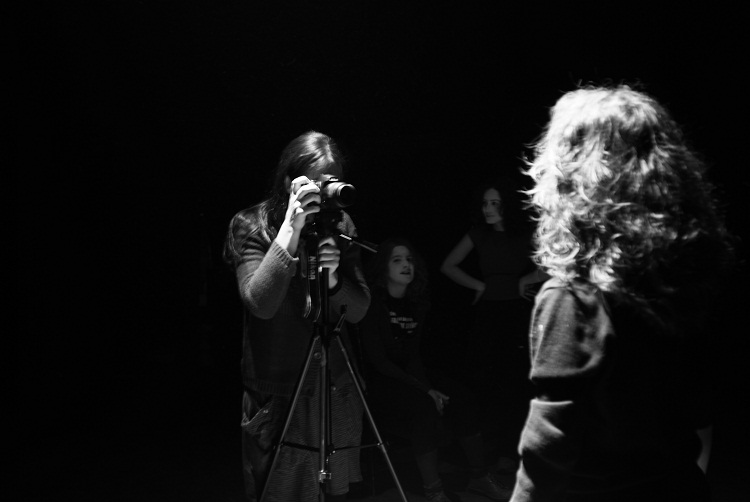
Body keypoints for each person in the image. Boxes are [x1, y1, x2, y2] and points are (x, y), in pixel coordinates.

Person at [511, 85, 733, 501]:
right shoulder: (691, 282)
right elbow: (702, 410)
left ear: (570, 172)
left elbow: (550, 442)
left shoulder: (574, 297)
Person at [223, 131, 371, 502]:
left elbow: (359, 311)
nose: (324, 192)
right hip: (280, 392)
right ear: (289, 180)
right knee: (278, 493)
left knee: (334, 493)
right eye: (315, 182)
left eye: (332, 181)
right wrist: (291, 229)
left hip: (334, 387)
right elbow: (260, 304)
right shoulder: (251, 224)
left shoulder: (341, 225)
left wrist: (334, 280)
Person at [361, 237, 512, 502]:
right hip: (381, 379)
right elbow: (379, 361)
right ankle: (435, 492)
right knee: (423, 407)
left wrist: (429, 387)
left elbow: (413, 356)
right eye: (397, 260)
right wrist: (425, 391)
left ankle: (480, 477)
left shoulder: (416, 302)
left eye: (409, 259)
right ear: (383, 267)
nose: (406, 265)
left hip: (410, 374)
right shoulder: (373, 304)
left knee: (461, 397)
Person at [440, 177, 548, 464]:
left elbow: (555, 263)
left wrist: (528, 277)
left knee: (517, 381)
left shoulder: (524, 234)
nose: (487, 208)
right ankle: (485, 449)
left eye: (494, 203)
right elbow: (448, 265)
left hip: (518, 313)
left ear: (507, 205)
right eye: (485, 203)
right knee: (484, 380)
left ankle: (513, 450)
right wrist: (478, 285)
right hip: (489, 313)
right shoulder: (479, 233)